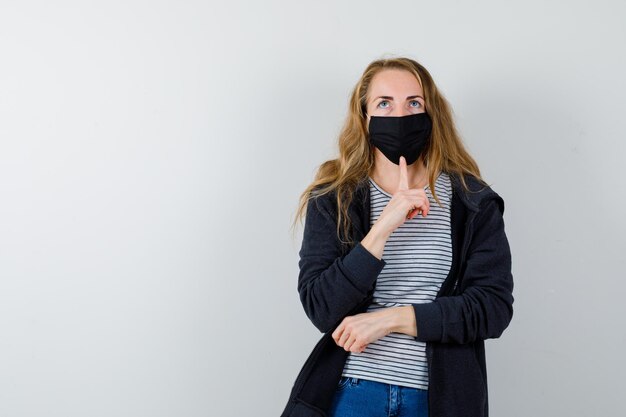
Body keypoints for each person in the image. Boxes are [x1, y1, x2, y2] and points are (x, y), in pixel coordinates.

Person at [280, 56, 514, 417]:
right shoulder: (334, 198)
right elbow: (321, 307)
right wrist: (383, 227)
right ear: (365, 117)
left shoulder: (473, 202)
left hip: (439, 400)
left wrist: (392, 318)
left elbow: (492, 308)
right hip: (353, 393)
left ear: (432, 114)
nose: (400, 116)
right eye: (384, 103)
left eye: (414, 103)